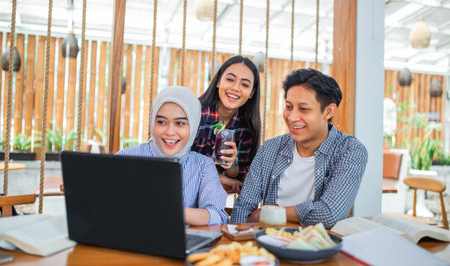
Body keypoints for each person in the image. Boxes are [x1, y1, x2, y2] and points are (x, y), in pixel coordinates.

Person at [231, 69, 368, 228]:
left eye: (303, 109)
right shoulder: (270, 148)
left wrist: (267, 213)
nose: (292, 117)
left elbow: (330, 214)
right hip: (268, 244)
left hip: (320, 247)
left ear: (329, 111)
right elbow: (242, 210)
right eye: (289, 107)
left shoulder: (350, 150)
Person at [117, 86, 229, 225]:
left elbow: (218, 215)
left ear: (193, 126)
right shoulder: (124, 158)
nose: (170, 132)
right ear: (152, 122)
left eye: (180, 123)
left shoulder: (203, 166)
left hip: (181, 245)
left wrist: (167, 210)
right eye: (162, 122)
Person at [192, 55, 261, 193]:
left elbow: (240, 179)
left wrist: (232, 164)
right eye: (230, 79)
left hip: (212, 201)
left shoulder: (246, 128)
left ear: (251, 92)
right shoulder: (195, 113)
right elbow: (179, 163)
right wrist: (220, 179)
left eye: (245, 84)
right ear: (218, 82)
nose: (235, 88)